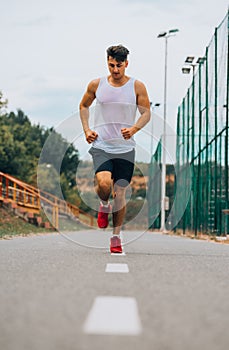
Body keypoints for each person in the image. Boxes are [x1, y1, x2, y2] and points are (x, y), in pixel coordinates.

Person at [79, 44, 151, 253]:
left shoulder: (137, 87)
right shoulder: (96, 84)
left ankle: (116, 236)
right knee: (103, 184)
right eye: (111, 65)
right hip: (101, 145)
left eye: (119, 65)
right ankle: (103, 204)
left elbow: (146, 113)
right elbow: (83, 105)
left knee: (120, 192)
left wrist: (134, 129)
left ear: (126, 64)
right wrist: (86, 130)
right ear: (107, 63)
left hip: (125, 148)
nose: (115, 70)